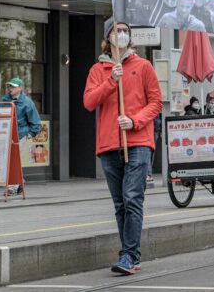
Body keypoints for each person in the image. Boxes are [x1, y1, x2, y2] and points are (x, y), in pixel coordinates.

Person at [83, 19, 163, 274]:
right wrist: (110, 82)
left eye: (126, 31)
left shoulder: (144, 66)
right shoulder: (98, 69)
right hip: (108, 144)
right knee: (120, 203)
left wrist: (135, 121)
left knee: (132, 198)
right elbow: (89, 102)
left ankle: (128, 255)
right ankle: (131, 254)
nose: (123, 35)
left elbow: (156, 102)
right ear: (108, 37)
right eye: (117, 31)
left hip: (138, 141)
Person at [2, 77, 41, 194]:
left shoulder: (27, 103)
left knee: (14, 161)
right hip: (7, 135)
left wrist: (31, 134)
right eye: (9, 86)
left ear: (20, 88)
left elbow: (35, 120)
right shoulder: (4, 100)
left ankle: (12, 188)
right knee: (8, 161)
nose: (10, 88)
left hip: (21, 136)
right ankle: (20, 182)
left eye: (13, 86)